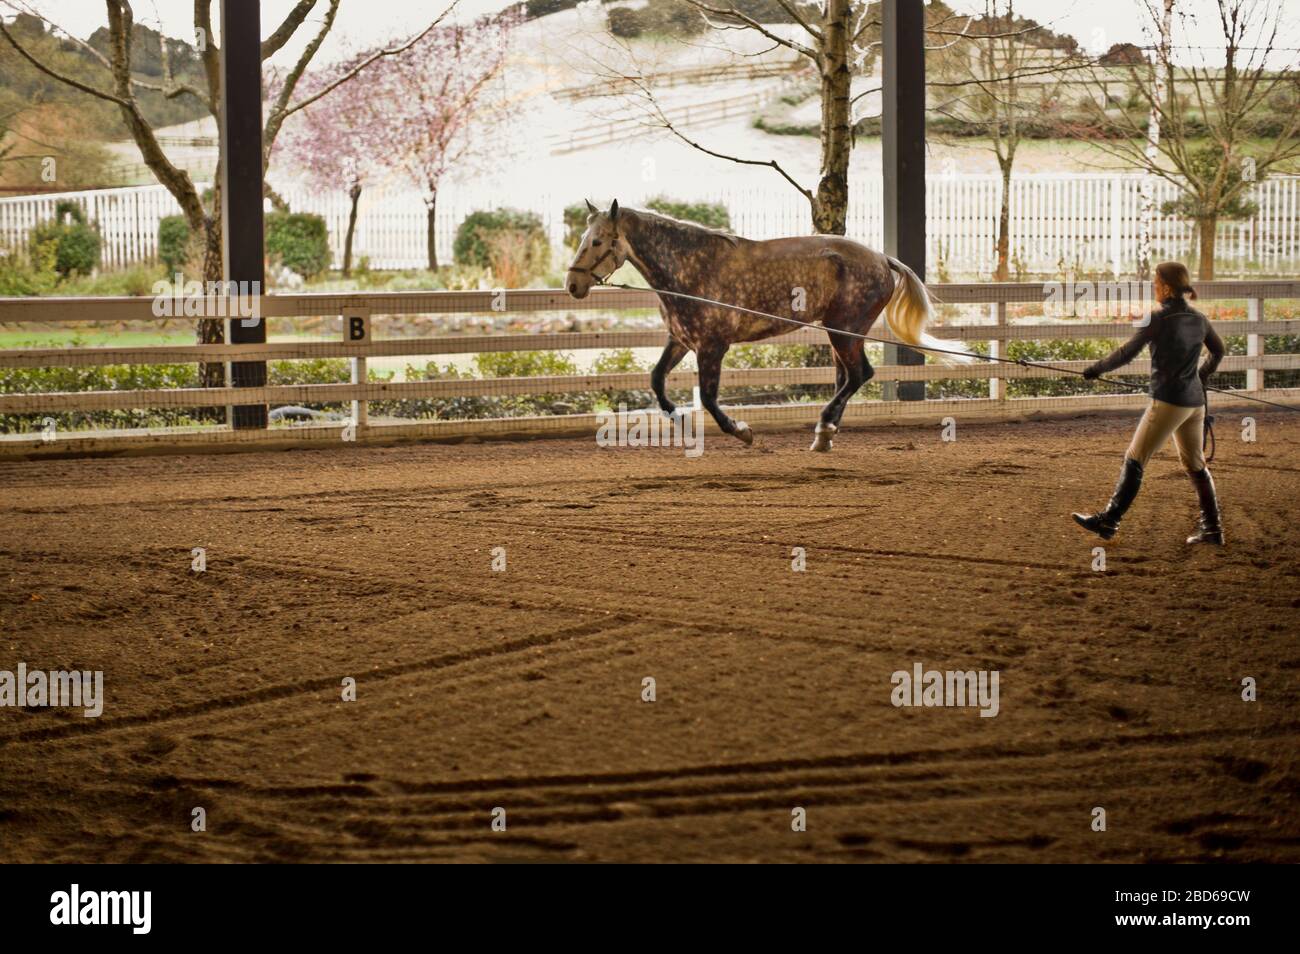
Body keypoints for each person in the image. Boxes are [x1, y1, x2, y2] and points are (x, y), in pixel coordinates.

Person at [1071, 261, 1226, 545]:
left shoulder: (1155, 318)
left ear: (1166, 286)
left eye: (1155, 283)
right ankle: (1213, 529)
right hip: (1194, 403)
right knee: (1195, 464)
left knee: (1135, 457)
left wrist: (1096, 369)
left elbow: (1126, 353)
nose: (1153, 288)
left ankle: (1110, 520)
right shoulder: (1199, 318)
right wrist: (1200, 376)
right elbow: (1219, 351)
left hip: (1168, 402)